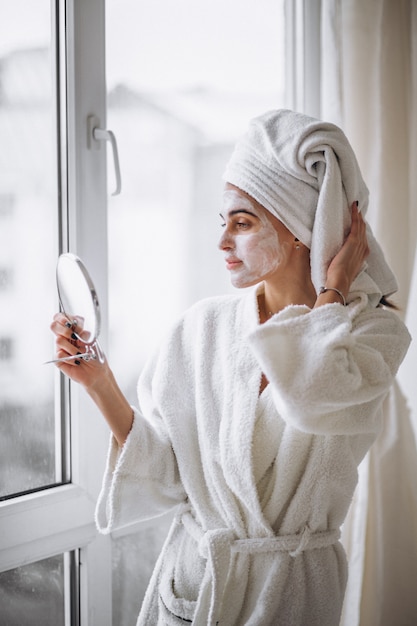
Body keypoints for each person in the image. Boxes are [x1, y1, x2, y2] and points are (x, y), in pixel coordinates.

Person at [51, 109, 411, 625]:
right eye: (223, 223)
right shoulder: (201, 329)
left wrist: (331, 294)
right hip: (196, 590)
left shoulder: (373, 336)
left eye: (242, 223)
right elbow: (169, 475)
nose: (222, 242)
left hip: (293, 596)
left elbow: (313, 394)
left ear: (298, 228)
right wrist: (100, 383)